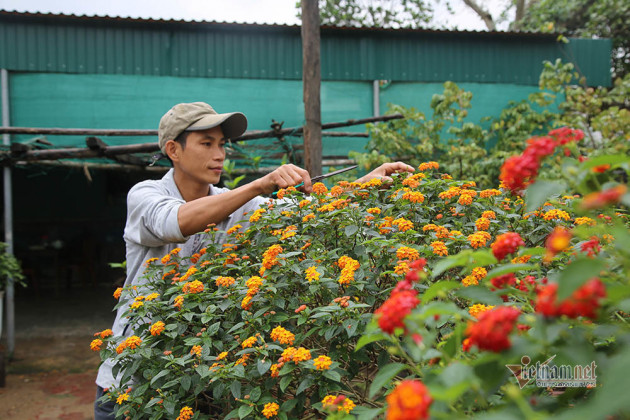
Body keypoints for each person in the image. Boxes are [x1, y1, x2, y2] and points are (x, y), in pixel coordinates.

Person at [94, 102, 414, 418]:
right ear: (173, 150)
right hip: (133, 386)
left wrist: (363, 185)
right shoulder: (145, 195)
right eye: (206, 143)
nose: (219, 154)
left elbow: (308, 214)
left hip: (201, 382)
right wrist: (259, 184)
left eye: (222, 144)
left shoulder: (233, 204)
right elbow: (176, 222)